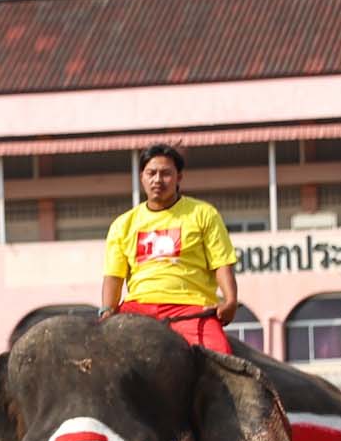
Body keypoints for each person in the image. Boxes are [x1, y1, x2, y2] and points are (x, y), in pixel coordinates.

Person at [99, 144, 240, 352]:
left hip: (191, 309)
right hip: (137, 309)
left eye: (165, 174)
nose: (157, 180)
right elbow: (114, 276)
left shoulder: (203, 214)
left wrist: (230, 301)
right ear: (142, 177)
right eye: (151, 173)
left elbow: (222, 264)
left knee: (221, 356)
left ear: (179, 177)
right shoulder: (123, 224)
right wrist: (107, 311)